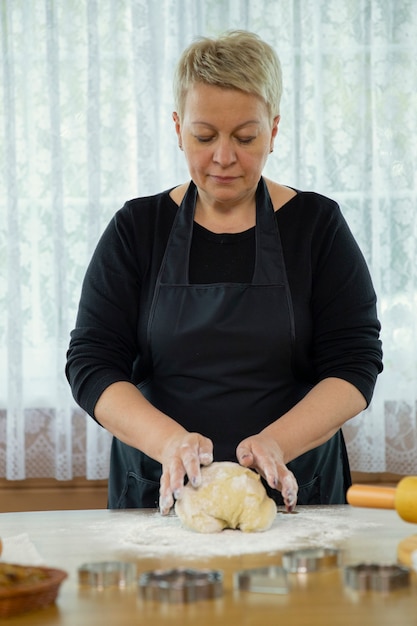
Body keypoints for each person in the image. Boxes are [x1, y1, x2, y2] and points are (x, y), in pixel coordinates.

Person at [66, 30, 383, 514]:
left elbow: (355, 362)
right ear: (177, 128)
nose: (224, 157)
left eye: (246, 137)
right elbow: (91, 361)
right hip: (160, 493)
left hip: (296, 494)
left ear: (274, 132)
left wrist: (275, 443)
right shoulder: (136, 228)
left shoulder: (317, 226)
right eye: (204, 136)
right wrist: (170, 442)